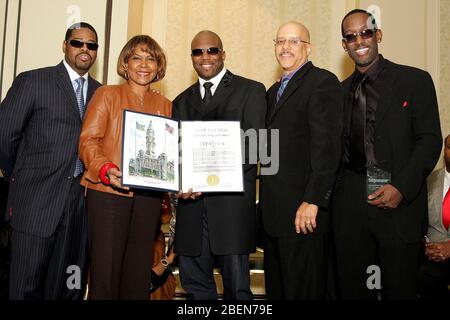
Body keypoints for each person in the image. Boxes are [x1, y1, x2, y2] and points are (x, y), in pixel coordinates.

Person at [331, 9, 442, 300]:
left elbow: (429, 141)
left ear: (378, 34)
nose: (359, 41)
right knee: (354, 291)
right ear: (344, 45)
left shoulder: (415, 81)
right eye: (351, 36)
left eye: (366, 32)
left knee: (399, 289)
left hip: (398, 205)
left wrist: (402, 188)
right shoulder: (338, 92)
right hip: (350, 207)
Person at [0, 22, 101, 300]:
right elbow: (4, 136)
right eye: (78, 43)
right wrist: (19, 176)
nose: (84, 50)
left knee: (70, 287)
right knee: (25, 287)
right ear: (64, 45)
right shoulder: (33, 81)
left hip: (81, 206)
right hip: (36, 201)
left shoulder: (102, 93)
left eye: (91, 45)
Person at [172, 30, 266, 300]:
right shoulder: (180, 101)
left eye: (212, 50)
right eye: (198, 52)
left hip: (231, 211)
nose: (205, 57)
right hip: (192, 211)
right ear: (191, 57)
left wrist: (213, 174)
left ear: (223, 54)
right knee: (197, 290)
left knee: (238, 292)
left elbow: (257, 146)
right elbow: (177, 155)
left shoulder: (250, 90)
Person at [78, 35, 171, 299]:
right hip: (108, 194)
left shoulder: (165, 105)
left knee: (137, 275)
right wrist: (106, 169)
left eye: (150, 58)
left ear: (158, 66)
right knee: (106, 273)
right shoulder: (107, 94)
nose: (144, 65)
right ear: (125, 64)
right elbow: (88, 141)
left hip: (148, 198)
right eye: (136, 58)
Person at [259, 21, 343, 300]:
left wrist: (313, 200)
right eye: (280, 41)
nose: (285, 47)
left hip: (303, 213)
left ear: (308, 48)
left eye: (294, 41)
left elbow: (328, 147)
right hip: (274, 216)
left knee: (304, 291)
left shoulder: (322, 82)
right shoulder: (272, 92)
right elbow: (266, 148)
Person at [418, 134, 450, 299]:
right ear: (445, 151)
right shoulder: (429, 180)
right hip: (433, 254)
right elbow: (418, 217)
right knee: (423, 273)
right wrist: (425, 245)